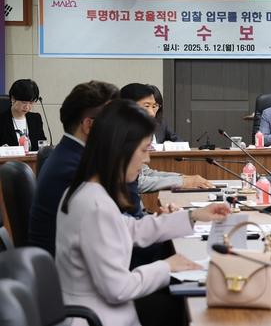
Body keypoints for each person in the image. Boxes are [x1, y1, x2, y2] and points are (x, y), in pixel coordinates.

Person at [55, 99, 231, 326]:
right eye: (144, 150)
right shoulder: (95, 205)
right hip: (101, 316)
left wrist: (193, 216)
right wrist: (167, 266)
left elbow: (131, 229)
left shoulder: (86, 190)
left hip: (102, 309)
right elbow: (118, 289)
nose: (147, 159)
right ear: (120, 150)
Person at [28, 81, 120, 256]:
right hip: (70, 266)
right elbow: (111, 233)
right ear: (88, 125)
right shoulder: (75, 169)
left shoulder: (68, 154)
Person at [120, 83, 212, 190]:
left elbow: (145, 173)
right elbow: (138, 182)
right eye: (146, 106)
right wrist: (182, 182)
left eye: (154, 106)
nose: (152, 113)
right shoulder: (117, 135)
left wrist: (184, 178)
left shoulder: (133, 133)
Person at [0, 79, 46, 151]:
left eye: (31, 103)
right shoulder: (2, 120)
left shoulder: (35, 119)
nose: (27, 107)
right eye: (24, 102)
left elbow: (41, 144)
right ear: (13, 99)